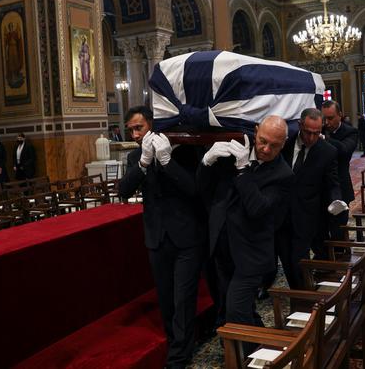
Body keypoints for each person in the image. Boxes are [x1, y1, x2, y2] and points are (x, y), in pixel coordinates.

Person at [118, 106, 204, 369]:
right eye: (130, 129)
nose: (134, 134)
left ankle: (178, 356)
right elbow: (123, 190)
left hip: (186, 237)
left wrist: (167, 162)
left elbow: (194, 190)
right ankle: (177, 341)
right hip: (156, 237)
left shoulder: (185, 151)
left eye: (139, 127)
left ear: (153, 125)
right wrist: (144, 163)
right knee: (166, 299)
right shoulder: (136, 157)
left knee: (183, 298)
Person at [197, 116, 292, 340]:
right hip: (221, 247)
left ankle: (247, 357)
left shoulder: (284, 174)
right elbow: (202, 190)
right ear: (256, 131)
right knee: (233, 310)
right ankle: (258, 354)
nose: (266, 149)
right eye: (262, 141)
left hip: (252, 255)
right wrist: (206, 162)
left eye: (274, 145)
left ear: (284, 144)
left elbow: (256, 208)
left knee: (236, 310)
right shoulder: (234, 149)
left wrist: (242, 171)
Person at [278, 108, 345, 289]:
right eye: (308, 132)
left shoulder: (327, 151)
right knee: (285, 259)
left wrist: (336, 200)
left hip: (306, 217)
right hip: (280, 215)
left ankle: (304, 299)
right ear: (300, 126)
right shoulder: (284, 143)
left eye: (317, 133)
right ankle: (298, 293)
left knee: (298, 261)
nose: (312, 138)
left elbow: (333, 183)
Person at [321, 100, 358, 240]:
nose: (327, 122)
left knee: (338, 231)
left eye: (330, 118)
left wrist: (324, 139)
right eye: (324, 118)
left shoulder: (350, 131)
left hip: (341, 187)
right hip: (321, 187)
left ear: (340, 115)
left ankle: (340, 256)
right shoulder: (321, 129)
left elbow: (344, 150)